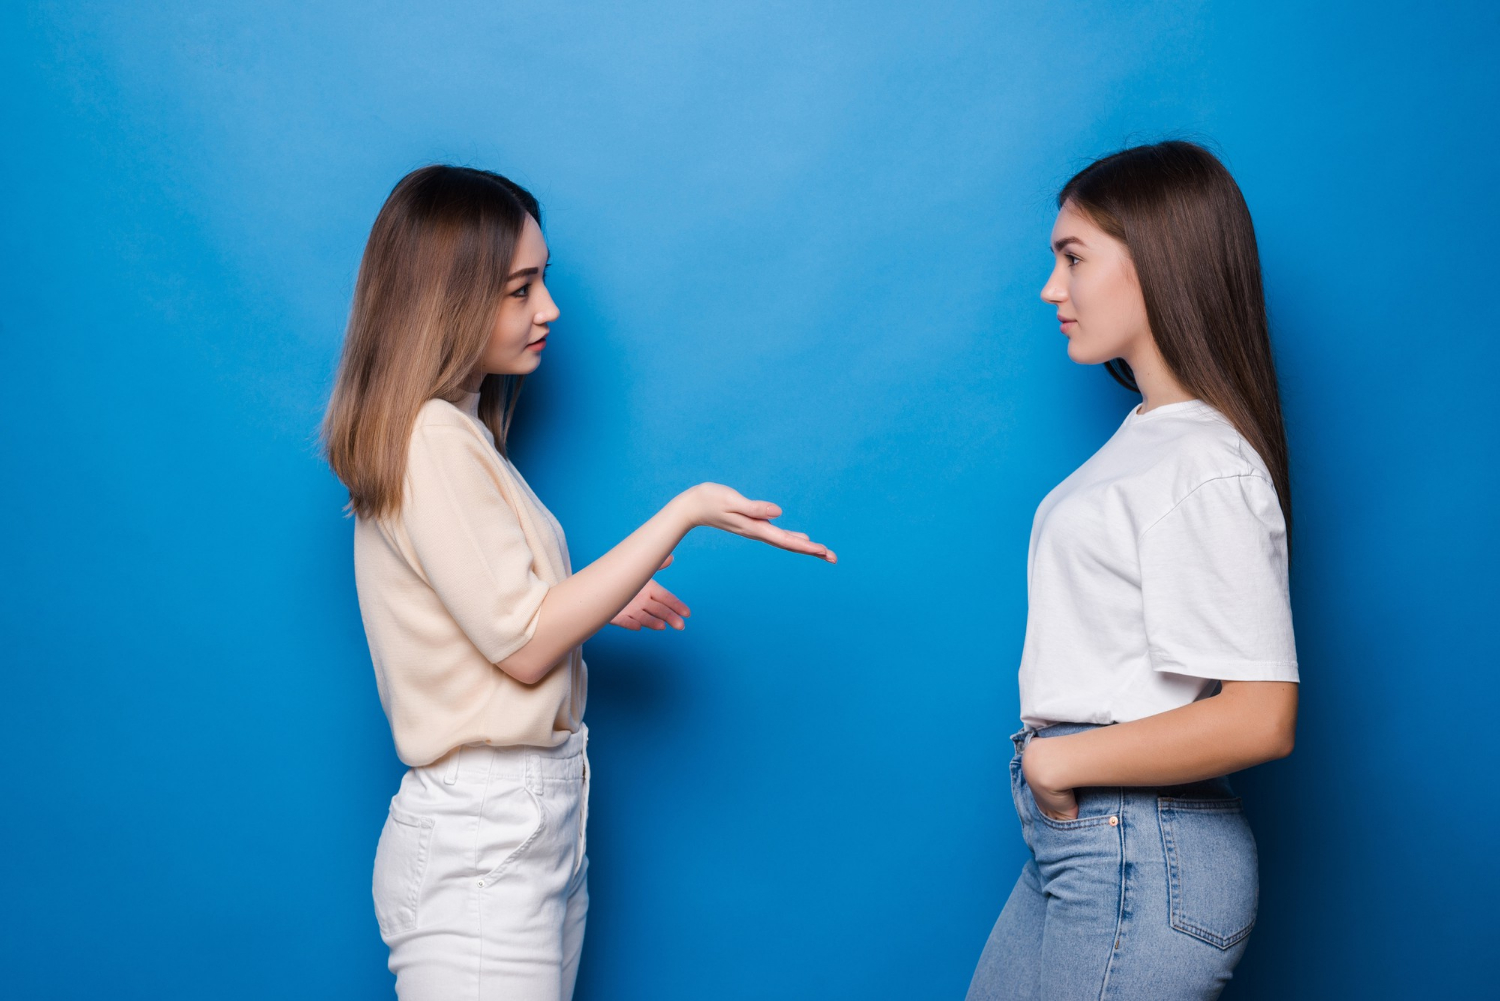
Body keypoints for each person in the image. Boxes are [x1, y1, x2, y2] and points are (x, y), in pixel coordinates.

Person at [321, 165, 835, 1001]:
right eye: (519, 289)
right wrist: (687, 510)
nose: (549, 309)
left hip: (522, 829)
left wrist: (591, 594)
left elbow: (502, 607)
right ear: (445, 299)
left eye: (542, 281)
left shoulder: (457, 437)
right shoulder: (433, 440)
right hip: (484, 843)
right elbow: (524, 644)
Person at [966, 141, 1300, 1000]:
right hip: (1090, 845)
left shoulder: (1206, 461)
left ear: (1156, 260)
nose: (1051, 288)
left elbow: (1261, 716)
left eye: (1072, 257)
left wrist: (1057, 765)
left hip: (1138, 845)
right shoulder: (1155, 437)